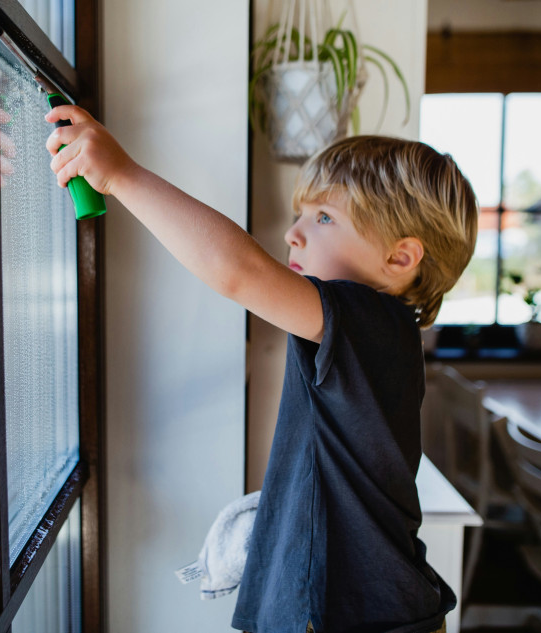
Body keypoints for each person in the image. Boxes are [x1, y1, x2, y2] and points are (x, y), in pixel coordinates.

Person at [45, 106, 479, 633]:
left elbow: (239, 271)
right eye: (302, 214)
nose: (294, 233)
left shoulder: (372, 323)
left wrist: (121, 175)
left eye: (324, 217)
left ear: (400, 258)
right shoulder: (370, 337)